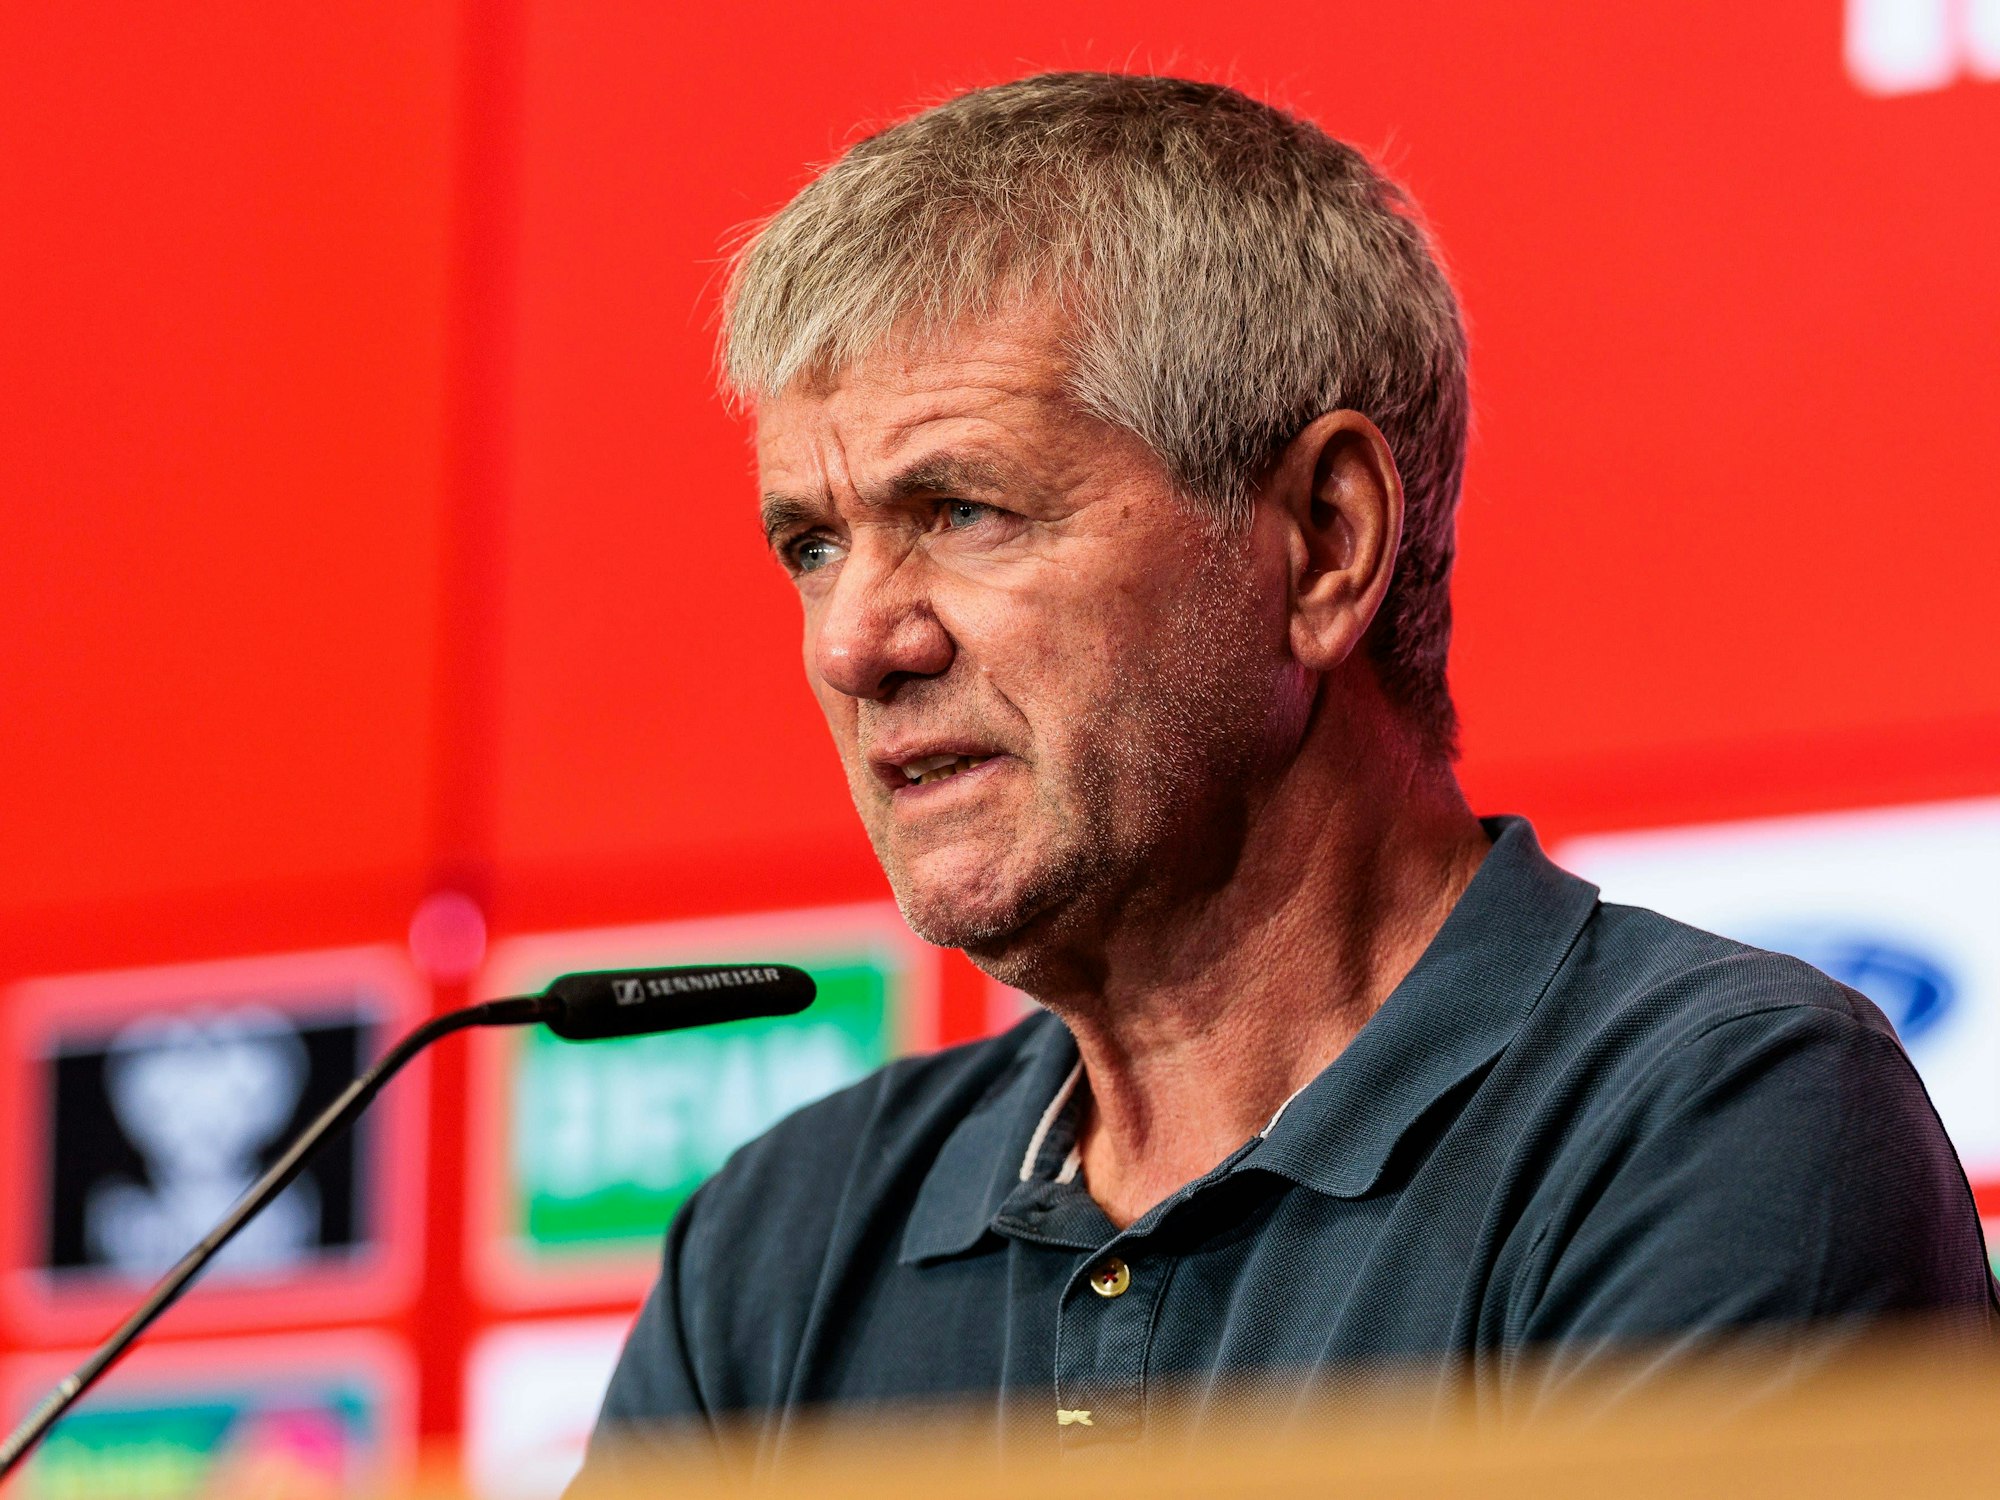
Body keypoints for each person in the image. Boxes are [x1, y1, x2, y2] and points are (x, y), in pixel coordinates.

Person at [578, 72, 1995, 1478]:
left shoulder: (1716, 1123)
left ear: (1323, 543)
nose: (855, 643)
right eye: (812, 544)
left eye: (962, 511)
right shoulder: (778, 1251)